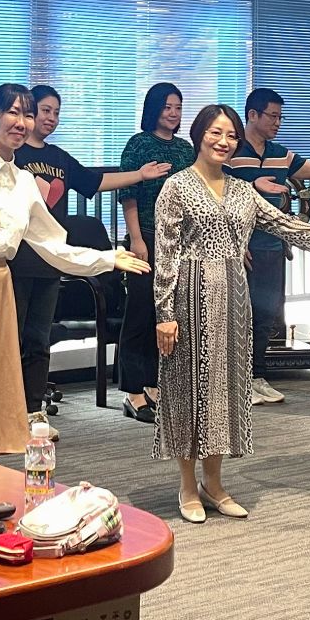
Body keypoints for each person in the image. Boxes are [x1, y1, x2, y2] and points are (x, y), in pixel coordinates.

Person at [154, 103, 310, 522]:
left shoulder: (243, 191)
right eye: (215, 133)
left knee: (225, 392)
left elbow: (287, 226)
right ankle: (187, 486)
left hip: (234, 298)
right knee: (187, 390)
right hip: (188, 297)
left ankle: (214, 484)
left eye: (231, 135)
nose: (223, 142)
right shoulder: (176, 187)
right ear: (198, 135)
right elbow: (165, 255)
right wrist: (164, 313)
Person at [0, 84, 149, 459]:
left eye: (27, 114)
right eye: (12, 112)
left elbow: (52, 244)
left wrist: (108, 258)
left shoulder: (23, 181)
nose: (21, 122)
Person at [11, 85, 170, 433]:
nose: (51, 118)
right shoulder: (12, 154)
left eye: (56, 112)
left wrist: (139, 175)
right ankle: (4, 411)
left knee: (38, 339)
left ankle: (32, 410)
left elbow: (95, 182)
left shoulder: (59, 158)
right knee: (11, 339)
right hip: (15, 260)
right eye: (45, 111)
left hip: (50, 260)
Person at [230, 88, 310, 404]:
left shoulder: (281, 154)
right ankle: (238, 381)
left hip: (273, 246)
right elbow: (217, 192)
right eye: (272, 116)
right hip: (242, 248)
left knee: (267, 315)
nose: (277, 122)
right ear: (252, 115)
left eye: (281, 117)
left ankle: (256, 376)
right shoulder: (231, 152)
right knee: (240, 316)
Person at [116, 82, 196, 423]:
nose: (173, 113)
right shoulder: (139, 144)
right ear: (154, 109)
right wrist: (136, 239)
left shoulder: (186, 149)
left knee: (166, 313)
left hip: (178, 239)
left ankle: (153, 383)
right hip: (146, 235)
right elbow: (128, 193)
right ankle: (133, 391)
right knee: (140, 311)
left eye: (178, 107)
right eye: (167, 107)